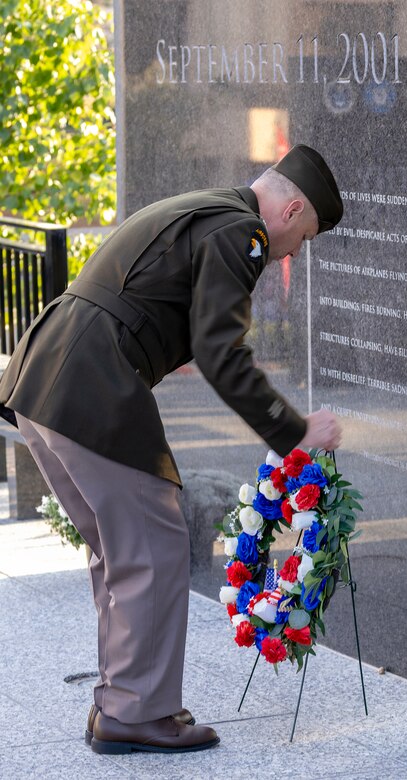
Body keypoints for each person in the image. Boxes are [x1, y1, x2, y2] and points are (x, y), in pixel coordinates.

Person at [0, 144, 343, 754]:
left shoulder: (210, 207)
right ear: (291, 212)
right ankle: (137, 711)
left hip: (45, 374)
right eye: (306, 235)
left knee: (120, 548)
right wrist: (293, 431)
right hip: (92, 383)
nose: (297, 250)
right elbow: (221, 350)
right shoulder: (245, 232)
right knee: (155, 542)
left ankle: (121, 701)